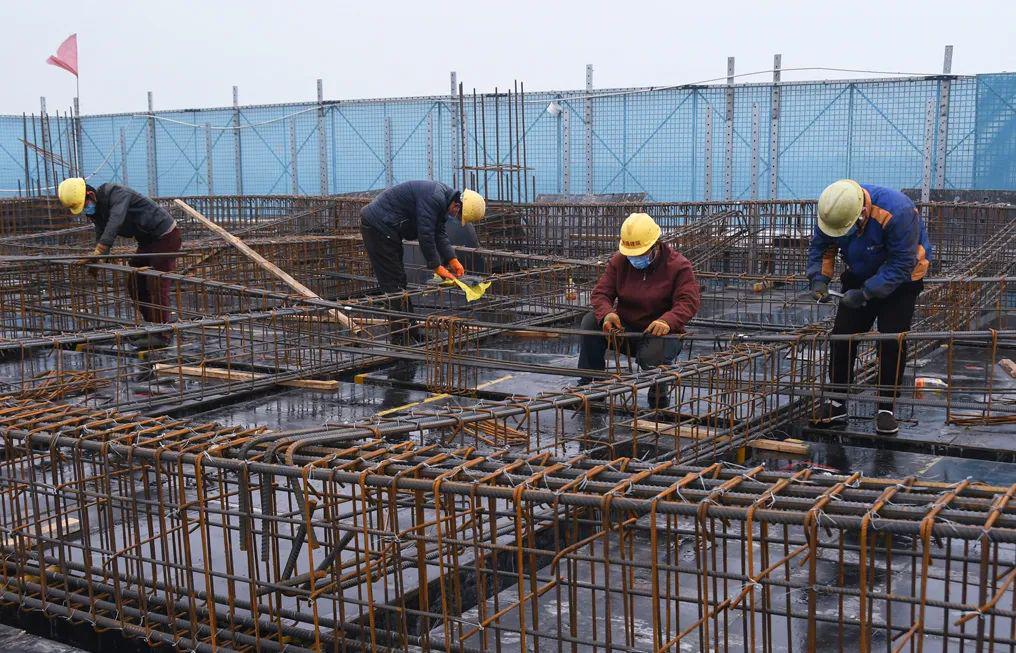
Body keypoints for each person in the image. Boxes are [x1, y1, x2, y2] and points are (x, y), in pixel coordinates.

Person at [807, 179, 932, 435]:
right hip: (861, 270)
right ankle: (837, 402)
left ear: (862, 213)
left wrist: (866, 293)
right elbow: (822, 246)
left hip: (903, 278)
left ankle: (886, 408)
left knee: (891, 339)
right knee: (842, 336)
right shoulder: (832, 212)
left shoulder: (897, 211)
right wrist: (819, 279)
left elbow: (901, 262)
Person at [578, 213, 701, 408]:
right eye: (631, 255)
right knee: (590, 322)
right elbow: (601, 293)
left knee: (653, 353)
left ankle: (658, 396)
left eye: (640, 254)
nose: (635, 259)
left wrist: (668, 321)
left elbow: (688, 301)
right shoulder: (620, 262)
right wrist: (608, 314)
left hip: (661, 334)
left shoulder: (678, 266)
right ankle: (590, 385)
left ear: (655, 245)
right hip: (626, 330)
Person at [58, 177, 181, 348]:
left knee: (156, 283)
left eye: (85, 205)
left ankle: (163, 334)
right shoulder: (97, 209)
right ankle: (153, 327)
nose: (85, 210)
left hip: (165, 236)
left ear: (90, 194)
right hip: (147, 241)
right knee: (135, 285)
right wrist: (98, 258)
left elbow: (115, 221)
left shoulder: (117, 194)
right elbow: (101, 230)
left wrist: (100, 250)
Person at [360, 181, 485, 340]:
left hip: (389, 230)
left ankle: (410, 332)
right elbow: (425, 234)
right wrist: (436, 266)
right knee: (393, 285)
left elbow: (439, 233)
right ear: (457, 205)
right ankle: (400, 338)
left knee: (400, 281)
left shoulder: (443, 200)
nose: (455, 217)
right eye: (457, 215)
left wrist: (452, 259)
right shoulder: (434, 198)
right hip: (378, 227)